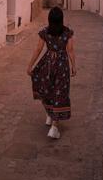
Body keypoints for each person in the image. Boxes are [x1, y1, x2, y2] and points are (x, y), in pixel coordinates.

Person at [27, 7, 76, 139]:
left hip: (48, 64)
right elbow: (70, 50)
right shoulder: (67, 32)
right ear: (61, 19)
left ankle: (50, 115)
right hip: (62, 66)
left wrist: (30, 65)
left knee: (47, 89)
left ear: (49, 19)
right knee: (60, 92)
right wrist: (74, 66)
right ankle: (54, 126)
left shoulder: (45, 32)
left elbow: (38, 49)